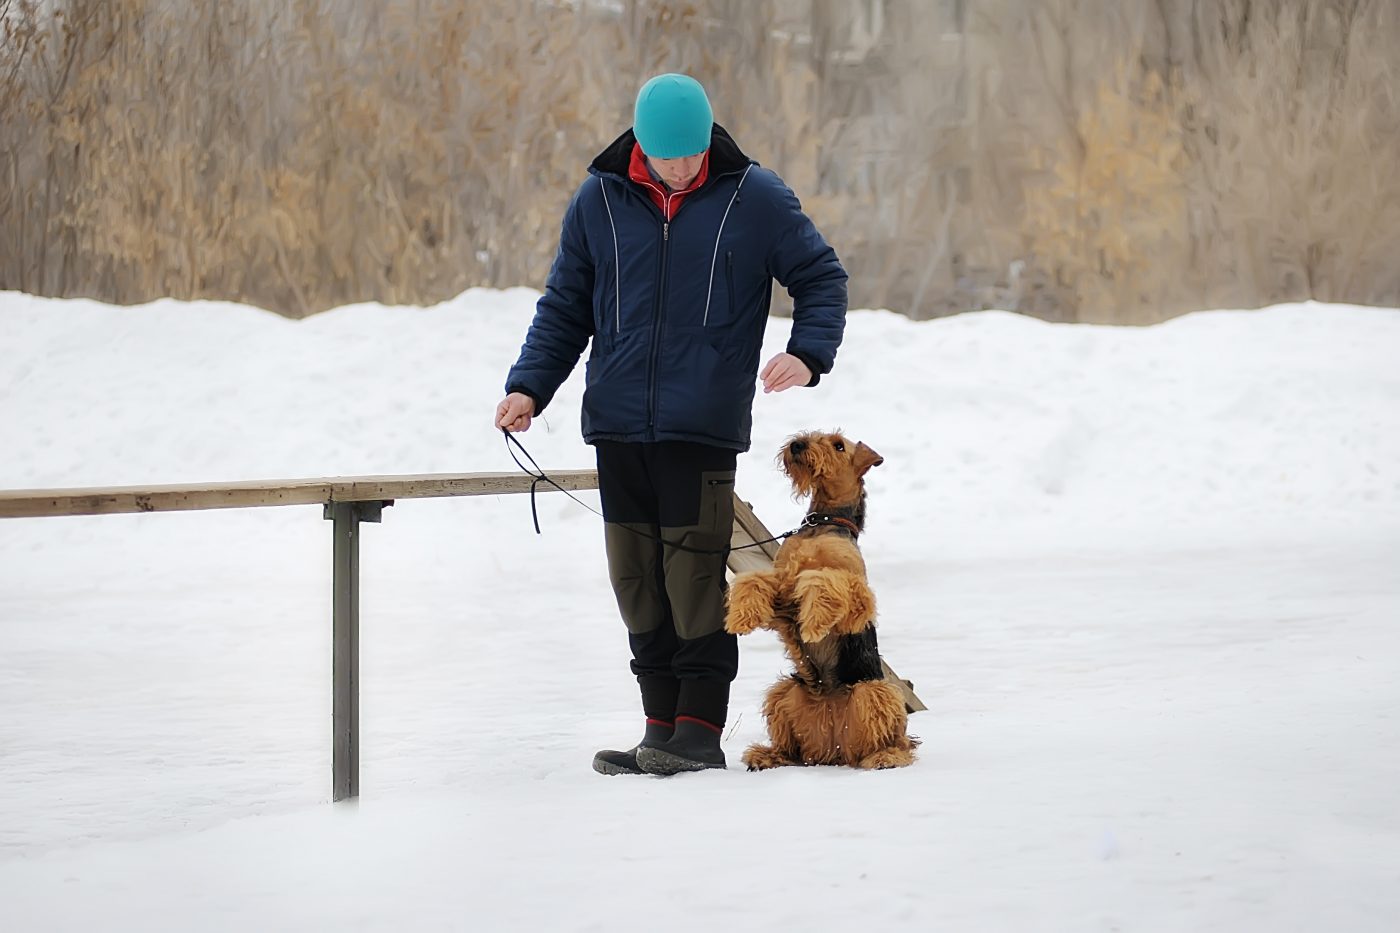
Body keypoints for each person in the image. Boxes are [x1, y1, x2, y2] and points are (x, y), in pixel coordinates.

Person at [495, 73, 847, 775]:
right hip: (619, 422)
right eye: (668, 156)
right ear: (641, 147)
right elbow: (566, 304)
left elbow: (820, 275)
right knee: (636, 581)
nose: (683, 167)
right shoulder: (599, 200)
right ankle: (658, 725)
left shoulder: (755, 198)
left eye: (692, 154)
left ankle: (697, 729)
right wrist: (530, 386)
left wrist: (807, 354)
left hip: (702, 424)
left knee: (692, 581)